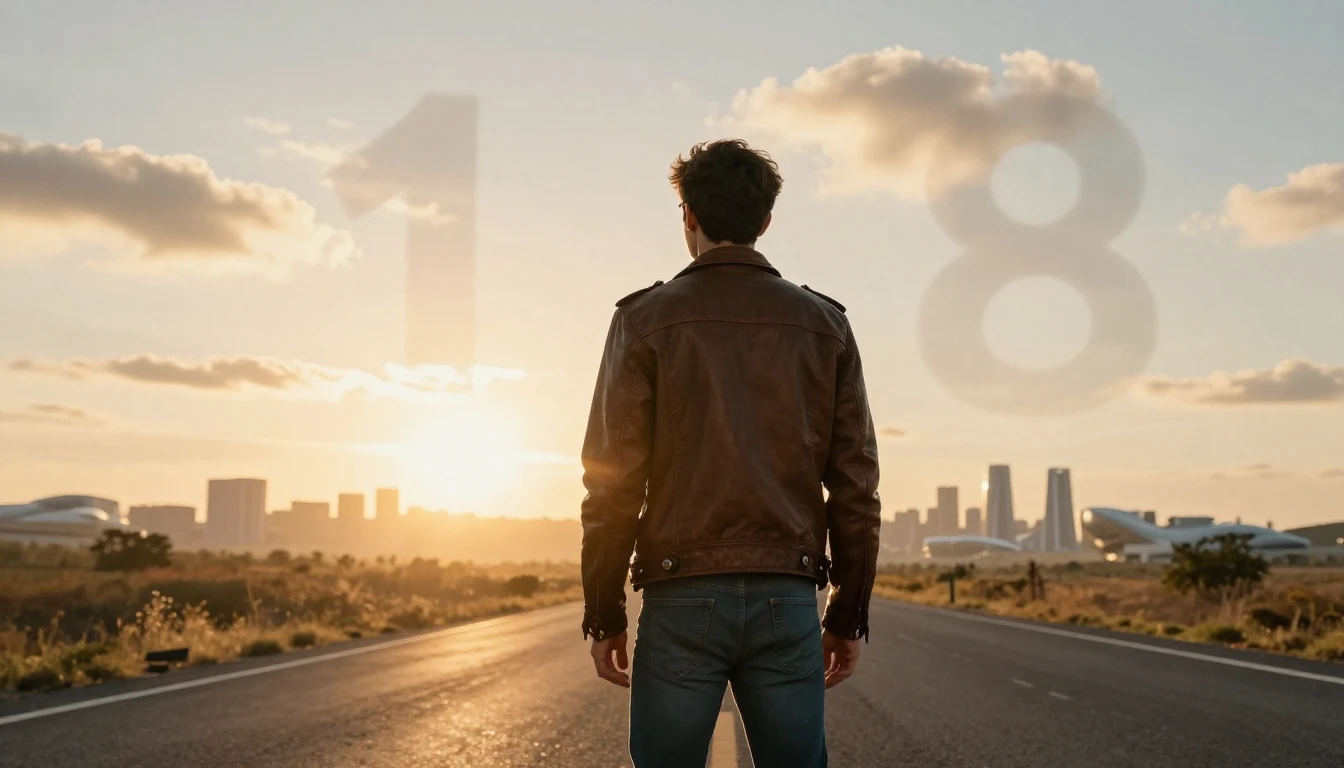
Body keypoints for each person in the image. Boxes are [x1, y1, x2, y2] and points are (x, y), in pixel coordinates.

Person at [579, 139, 881, 767]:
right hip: (787, 594)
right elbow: (855, 483)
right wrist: (848, 613)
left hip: (681, 591)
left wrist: (604, 609)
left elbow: (611, 482)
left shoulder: (643, 320)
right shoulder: (825, 325)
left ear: (687, 214)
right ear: (765, 222)